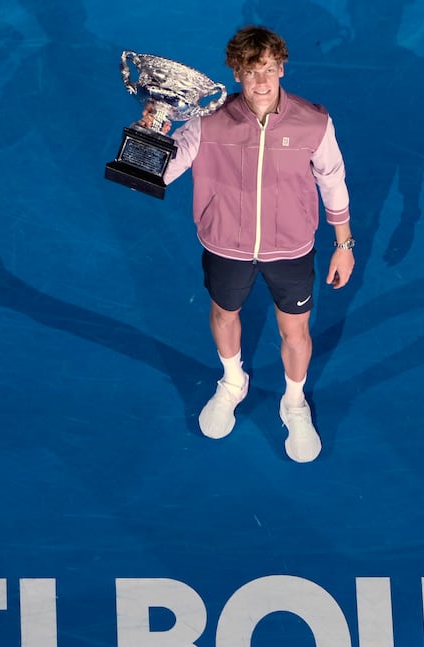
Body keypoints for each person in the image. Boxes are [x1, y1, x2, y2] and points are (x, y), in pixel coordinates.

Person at [141, 25, 354, 463]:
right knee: (224, 314)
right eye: (251, 71)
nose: (262, 82)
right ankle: (233, 381)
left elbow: (332, 181)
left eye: (270, 70)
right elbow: (155, 175)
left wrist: (344, 244)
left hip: (292, 249)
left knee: (295, 331)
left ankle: (293, 402)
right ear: (236, 73)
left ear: (282, 68)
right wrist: (151, 126)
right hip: (225, 247)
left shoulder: (314, 121)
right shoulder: (206, 122)